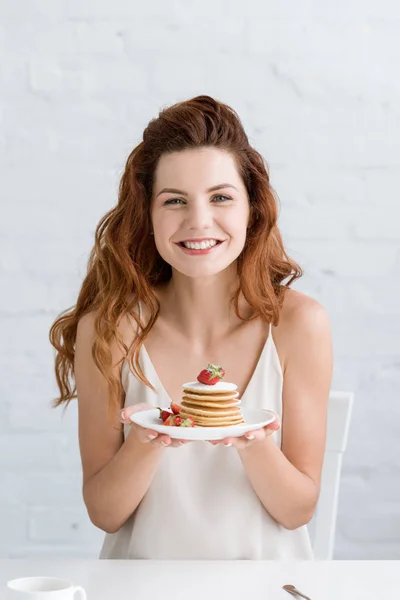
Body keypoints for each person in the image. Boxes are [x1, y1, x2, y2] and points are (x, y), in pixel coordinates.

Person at [49, 95, 333, 560]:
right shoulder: (110, 327)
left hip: (267, 588)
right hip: (139, 590)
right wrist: (146, 440)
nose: (199, 222)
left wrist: (253, 444)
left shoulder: (298, 324)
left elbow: (297, 509)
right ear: (148, 214)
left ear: (252, 209)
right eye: (174, 201)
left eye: (220, 197)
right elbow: (105, 512)